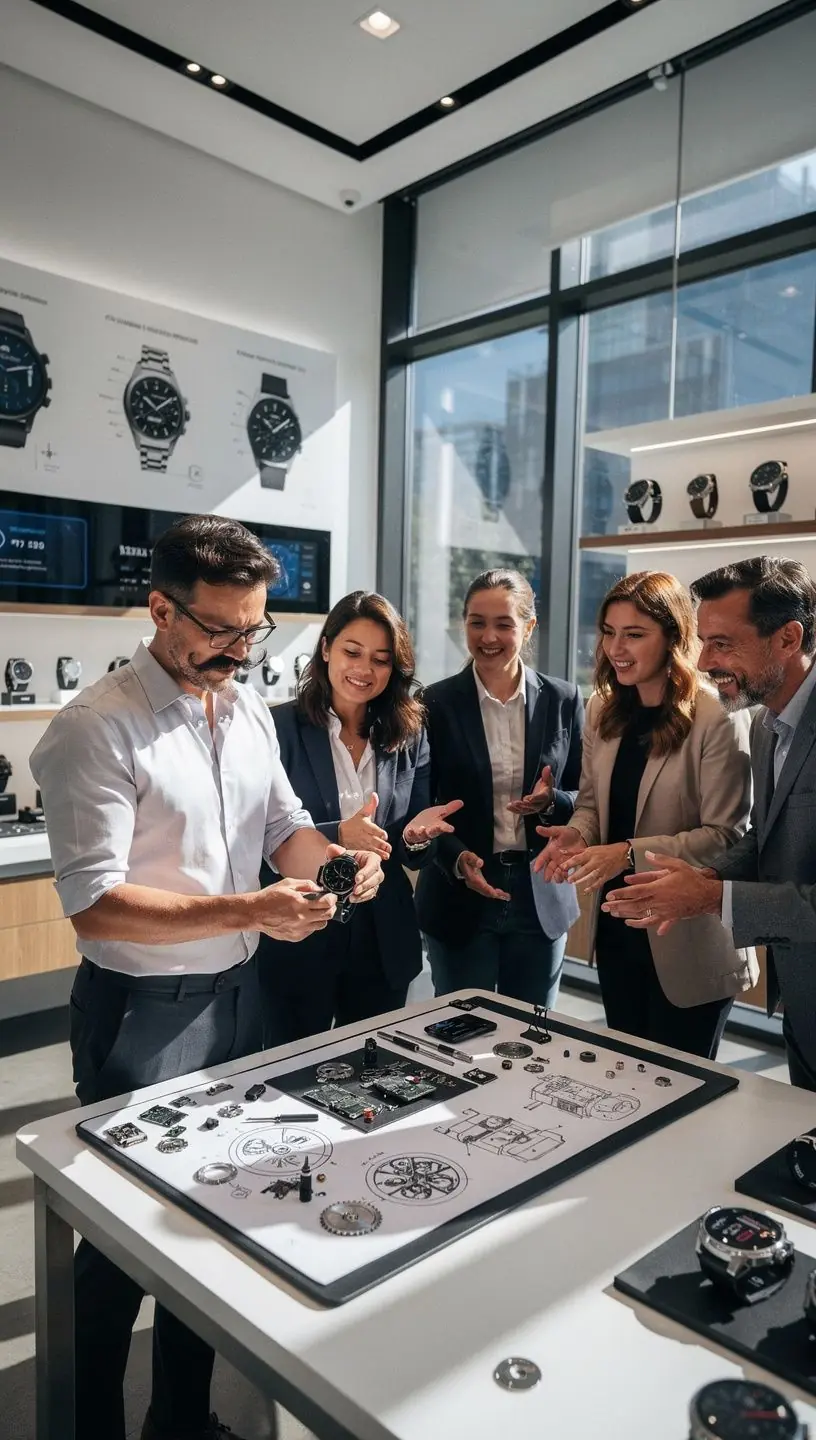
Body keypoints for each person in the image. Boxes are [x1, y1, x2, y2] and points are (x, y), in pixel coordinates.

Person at [30, 516, 384, 1440]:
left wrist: (339, 861)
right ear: (158, 608)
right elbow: (95, 903)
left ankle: (182, 1422)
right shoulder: (95, 729)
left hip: (239, 999)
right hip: (139, 1013)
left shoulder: (247, 707)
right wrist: (255, 910)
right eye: (219, 630)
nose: (237, 650)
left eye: (254, 630)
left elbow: (283, 830)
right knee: (116, 1252)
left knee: (212, 1222)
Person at [601, 556, 816, 1087]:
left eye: (722, 643)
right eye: (702, 640)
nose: (702, 659)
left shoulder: (734, 719)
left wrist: (712, 898)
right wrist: (707, 880)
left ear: (788, 639)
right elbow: (763, 842)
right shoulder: (768, 724)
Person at [535, 571, 756, 1059]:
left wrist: (626, 854)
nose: (617, 648)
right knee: (629, 1085)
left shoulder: (717, 712)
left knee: (682, 1099)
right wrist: (576, 835)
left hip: (689, 936)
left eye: (635, 634)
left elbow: (726, 837)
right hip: (619, 927)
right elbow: (592, 805)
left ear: (675, 637)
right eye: (609, 632)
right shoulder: (602, 708)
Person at [258, 590, 461, 1044]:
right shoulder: (276, 729)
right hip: (299, 933)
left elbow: (410, 852)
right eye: (352, 652)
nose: (364, 670)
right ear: (326, 648)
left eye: (381, 660)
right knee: (288, 1077)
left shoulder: (410, 733)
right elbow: (253, 834)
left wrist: (415, 837)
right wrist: (337, 834)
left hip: (382, 937)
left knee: (370, 1077)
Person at [415, 568, 584, 1007]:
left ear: (528, 628)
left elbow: (585, 793)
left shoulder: (563, 699)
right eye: (477, 622)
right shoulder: (433, 704)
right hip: (460, 892)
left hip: (541, 891)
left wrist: (553, 801)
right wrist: (455, 860)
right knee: (458, 1034)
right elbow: (420, 803)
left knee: (533, 1034)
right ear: (463, 624)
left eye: (503, 624)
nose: (488, 636)